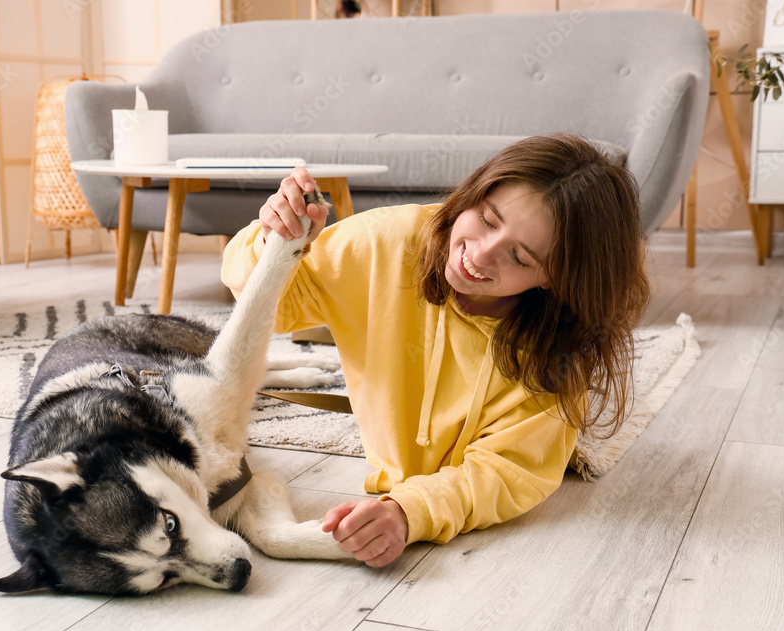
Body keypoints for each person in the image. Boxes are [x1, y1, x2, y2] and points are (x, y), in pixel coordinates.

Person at [221, 133, 650, 568]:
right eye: (486, 219)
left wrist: (407, 512)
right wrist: (278, 241)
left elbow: (505, 473)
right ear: (473, 193)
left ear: (556, 279)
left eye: (519, 258)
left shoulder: (555, 355)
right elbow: (276, 308)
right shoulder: (390, 240)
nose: (479, 256)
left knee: (552, 439)